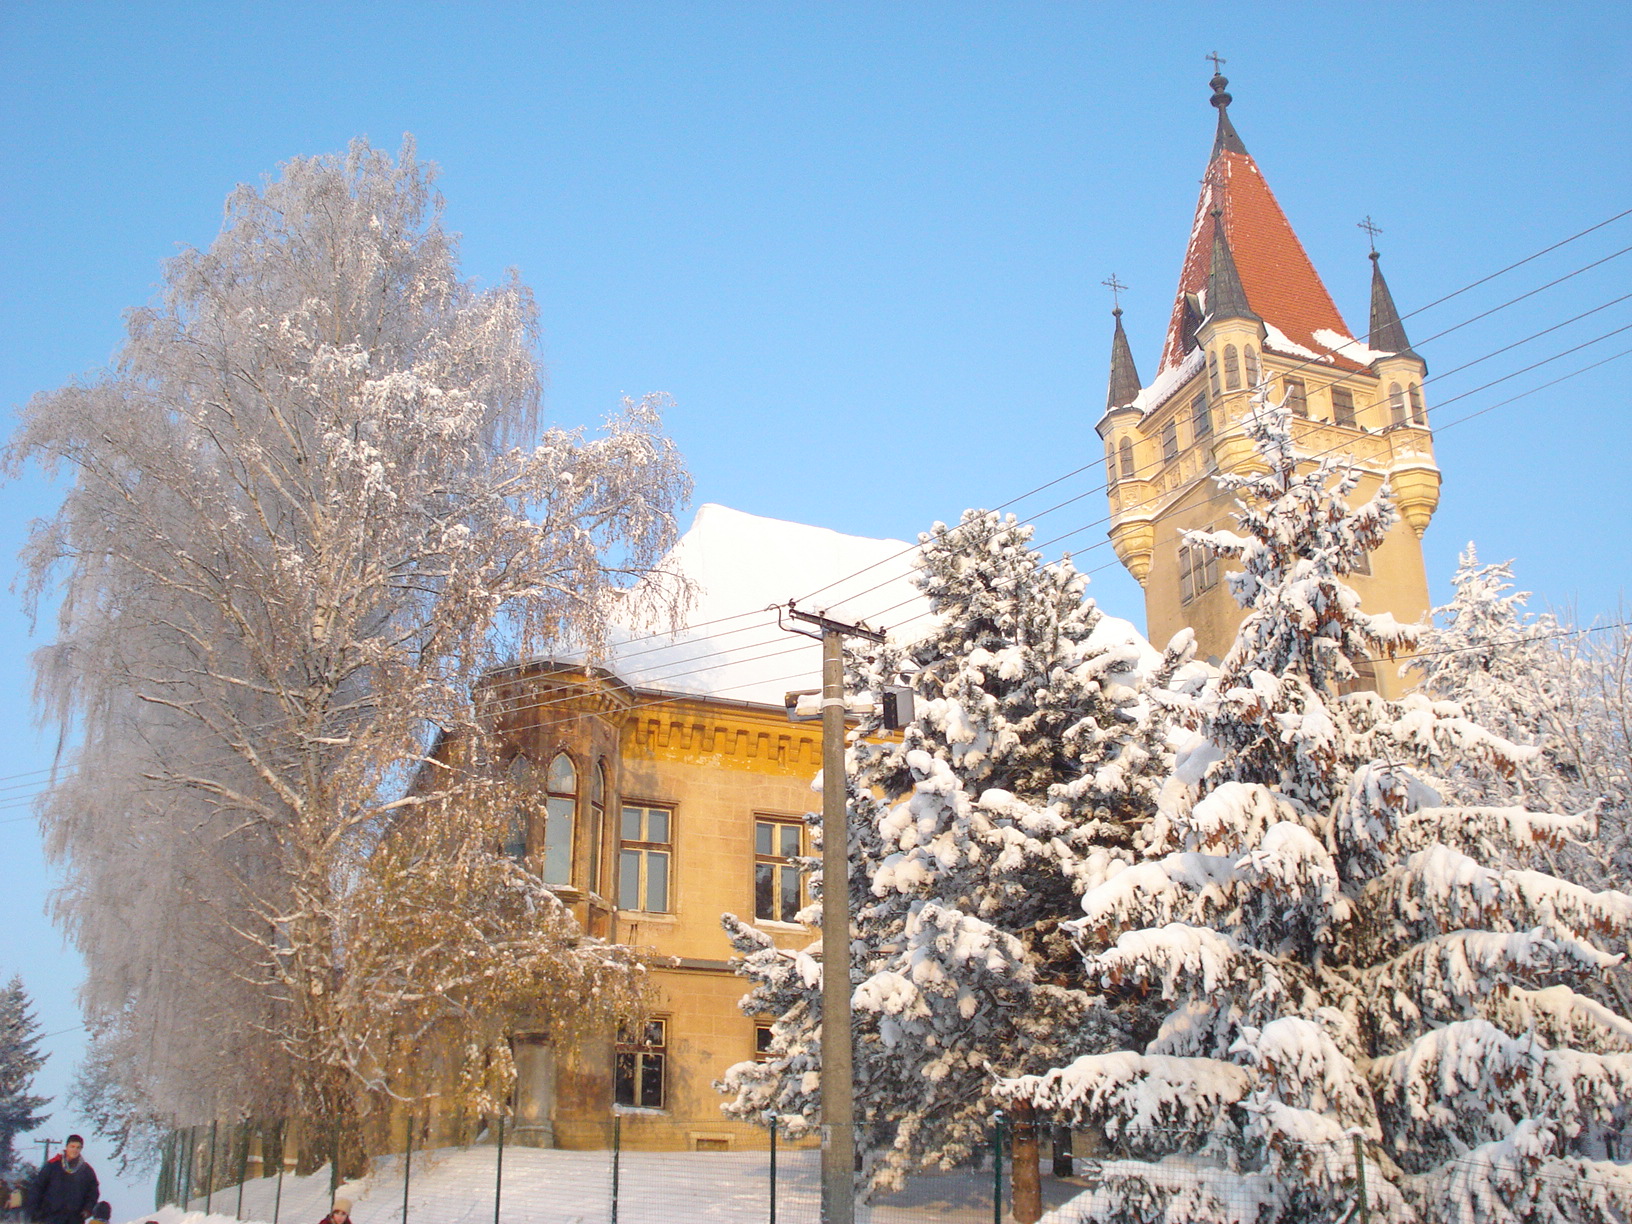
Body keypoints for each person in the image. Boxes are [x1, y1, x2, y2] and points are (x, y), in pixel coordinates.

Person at [25, 1135, 99, 1224]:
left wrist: (88, 1209)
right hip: (50, 1217)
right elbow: (37, 1188)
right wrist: (35, 1213)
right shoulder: (52, 1166)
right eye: (72, 1146)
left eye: (78, 1147)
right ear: (66, 1147)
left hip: (75, 1219)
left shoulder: (86, 1171)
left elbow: (93, 1192)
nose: (75, 1150)